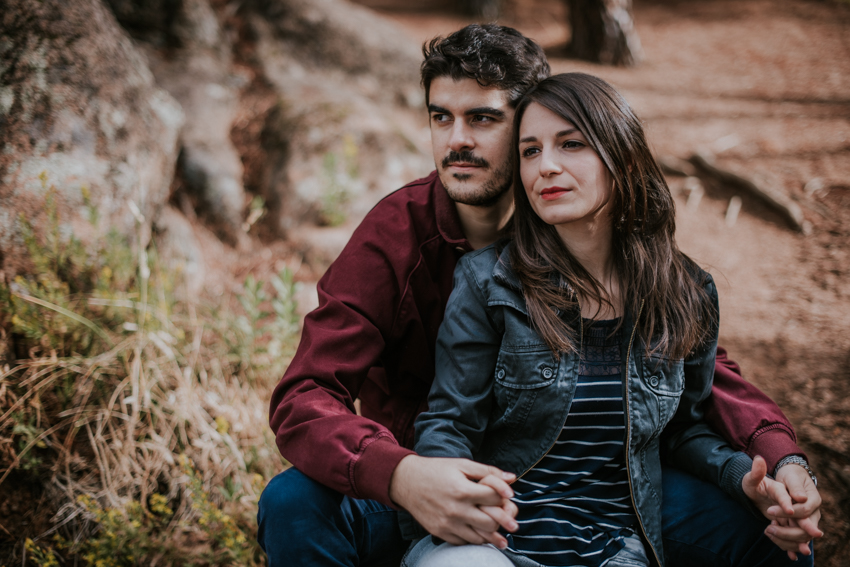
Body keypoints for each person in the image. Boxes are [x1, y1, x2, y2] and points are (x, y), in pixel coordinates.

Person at [258, 24, 821, 567]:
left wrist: (779, 458)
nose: (457, 140)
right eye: (441, 117)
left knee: (772, 535)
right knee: (293, 504)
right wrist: (402, 475)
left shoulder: (588, 230)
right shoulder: (398, 235)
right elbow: (305, 394)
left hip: (595, 484)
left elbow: (693, 370)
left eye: (483, 118)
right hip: (428, 477)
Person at [401, 71, 793, 567]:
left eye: (570, 144)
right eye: (529, 151)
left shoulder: (686, 292)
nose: (545, 166)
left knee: (781, 535)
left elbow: (683, 430)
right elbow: (448, 421)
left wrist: (744, 474)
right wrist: (449, 491)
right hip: (494, 540)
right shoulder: (488, 283)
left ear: (620, 155)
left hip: (616, 548)